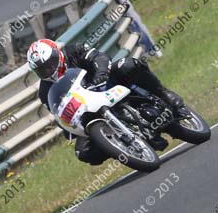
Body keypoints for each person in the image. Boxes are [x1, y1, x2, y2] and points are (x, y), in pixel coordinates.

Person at [27, 39, 182, 165]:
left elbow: (99, 57)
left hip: (106, 84)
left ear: (57, 54)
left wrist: (100, 75)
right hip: (86, 112)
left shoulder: (74, 50)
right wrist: (70, 129)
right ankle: (121, 148)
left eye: (50, 64)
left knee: (128, 65)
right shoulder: (44, 92)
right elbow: (58, 112)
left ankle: (164, 93)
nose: (48, 70)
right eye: (42, 70)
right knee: (83, 152)